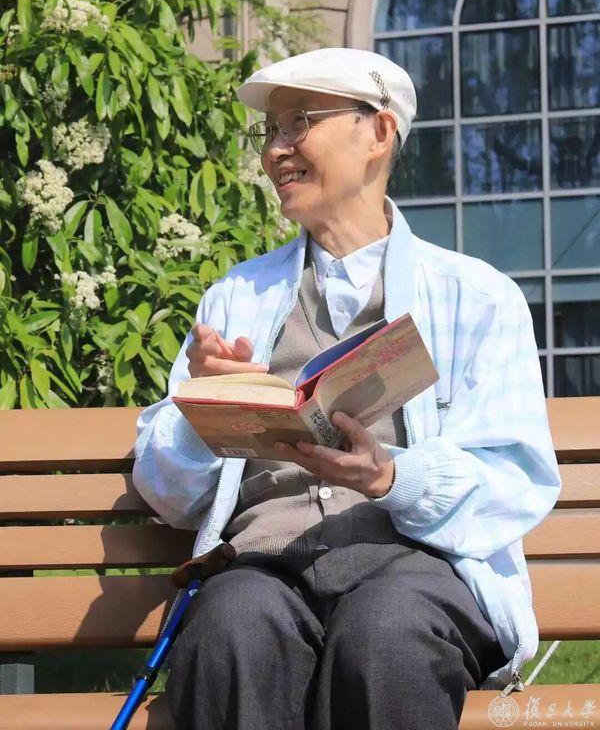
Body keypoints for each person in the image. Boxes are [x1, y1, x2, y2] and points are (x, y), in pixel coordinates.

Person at [133, 47, 561, 730]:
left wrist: (392, 477)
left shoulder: (477, 297)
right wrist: (198, 415)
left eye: (299, 123)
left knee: (386, 633)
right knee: (231, 627)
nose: (275, 151)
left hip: (417, 568)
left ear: (379, 133)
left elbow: (515, 478)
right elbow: (167, 493)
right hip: (264, 564)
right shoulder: (236, 297)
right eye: (270, 131)